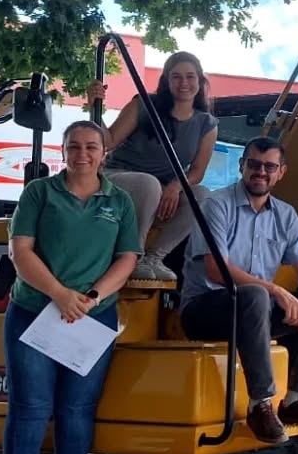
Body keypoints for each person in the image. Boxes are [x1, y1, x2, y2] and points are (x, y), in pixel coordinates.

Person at [3, 120, 140, 454]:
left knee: (77, 407)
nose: (83, 154)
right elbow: (20, 250)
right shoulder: (39, 193)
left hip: (92, 316)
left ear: (104, 153)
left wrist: (90, 297)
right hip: (34, 311)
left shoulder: (119, 202)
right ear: (62, 151)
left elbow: (127, 257)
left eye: (92, 147)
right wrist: (59, 294)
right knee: (30, 405)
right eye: (75, 146)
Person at [179, 136, 298, 444]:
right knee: (256, 294)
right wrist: (278, 292)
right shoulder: (216, 204)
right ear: (243, 166)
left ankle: (297, 398)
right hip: (205, 309)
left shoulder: (285, 215)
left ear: (281, 172)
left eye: (269, 166)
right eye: (254, 164)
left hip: (255, 310)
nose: (261, 172)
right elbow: (217, 270)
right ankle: (260, 404)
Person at [87, 51, 219, 282]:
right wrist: (94, 107)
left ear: (200, 81)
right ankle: (132, 256)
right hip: (119, 176)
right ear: (167, 82)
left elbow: (197, 171)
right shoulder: (144, 105)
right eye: (176, 77)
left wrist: (176, 186)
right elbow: (108, 141)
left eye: (190, 76)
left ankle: (155, 257)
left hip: (163, 189)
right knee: (149, 184)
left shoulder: (206, 123)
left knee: (203, 195)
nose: (184, 83)